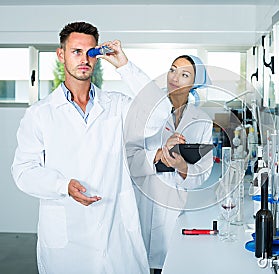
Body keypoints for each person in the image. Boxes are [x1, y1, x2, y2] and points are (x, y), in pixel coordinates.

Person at [11, 21, 170, 274]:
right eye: (76, 51)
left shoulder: (117, 106)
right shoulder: (39, 114)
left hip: (116, 234)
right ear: (61, 54)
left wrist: (124, 66)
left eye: (91, 52)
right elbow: (23, 172)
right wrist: (62, 186)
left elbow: (161, 113)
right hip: (67, 240)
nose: (84, 59)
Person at [125, 55, 214, 273]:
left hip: (175, 208)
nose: (175, 78)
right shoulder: (144, 111)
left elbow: (203, 172)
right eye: (172, 70)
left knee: (171, 264)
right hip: (142, 201)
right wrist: (158, 155)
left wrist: (183, 167)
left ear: (195, 84)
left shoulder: (202, 121)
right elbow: (127, 159)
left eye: (185, 75)